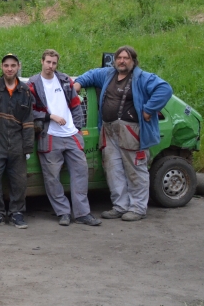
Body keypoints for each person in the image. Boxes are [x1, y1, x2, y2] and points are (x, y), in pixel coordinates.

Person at [73, 46, 173, 221]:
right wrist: (78, 83)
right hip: (109, 130)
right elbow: (91, 75)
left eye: (126, 58)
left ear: (133, 61)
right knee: (113, 169)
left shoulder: (142, 78)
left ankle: (138, 208)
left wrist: (149, 109)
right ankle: (120, 206)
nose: (122, 61)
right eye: (119, 58)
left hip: (131, 130)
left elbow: (165, 89)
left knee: (135, 170)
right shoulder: (108, 74)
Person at [28, 50, 101, 227]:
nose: (50, 66)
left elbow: (76, 105)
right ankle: (63, 212)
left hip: (71, 134)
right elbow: (30, 111)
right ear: (42, 61)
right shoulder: (33, 83)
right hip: (49, 135)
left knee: (81, 173)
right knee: (52, 178)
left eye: (54, 63)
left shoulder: (65, 80)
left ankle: (83, 213)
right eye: (48, 62)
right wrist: (50, 116)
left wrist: (77, 128)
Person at [0, 53, 34, 230]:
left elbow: (28, 120)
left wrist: (28, 145)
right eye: (6, 65)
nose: (9, 69)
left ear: (18, 66)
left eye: (13, 65)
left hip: (17, 142)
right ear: (1, 67)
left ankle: (17, 213)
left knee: (19, 180)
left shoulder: (25, 90)